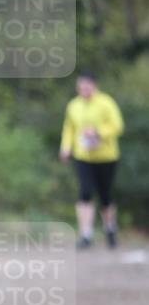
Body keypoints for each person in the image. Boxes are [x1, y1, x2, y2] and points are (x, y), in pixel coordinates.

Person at [59, 71, 124, 248]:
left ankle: (109, 227)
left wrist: (98, 132)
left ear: (95, 86)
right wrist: (66, 147)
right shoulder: (73, 105)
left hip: (106, 156)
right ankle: (85, 234)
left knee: (105, 196)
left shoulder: (106, 102)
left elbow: (117, 125)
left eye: (87, 86)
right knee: (85, 192)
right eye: (81, 86)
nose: (84, 89)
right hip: (83, 156)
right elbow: (69, 128)